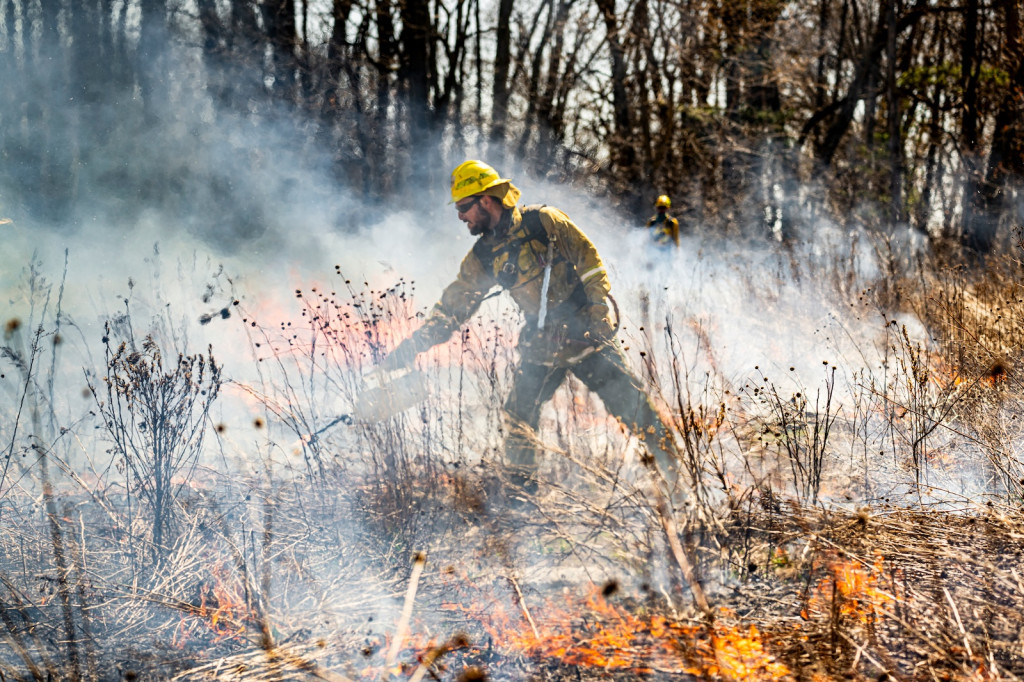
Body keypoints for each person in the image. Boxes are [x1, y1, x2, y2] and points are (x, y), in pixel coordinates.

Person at [377, 160, 681, 499]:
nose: (461, 216)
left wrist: (599, 317)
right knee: (520, 413)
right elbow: (454, 305)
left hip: (586, 336)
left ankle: (680, 484)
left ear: (486, 200)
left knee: (633, 407)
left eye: (464, 207)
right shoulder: (485, 254)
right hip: (542, 343)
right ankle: (521, 496)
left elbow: (591, 263)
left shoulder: (544, 223)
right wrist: (411, 346)